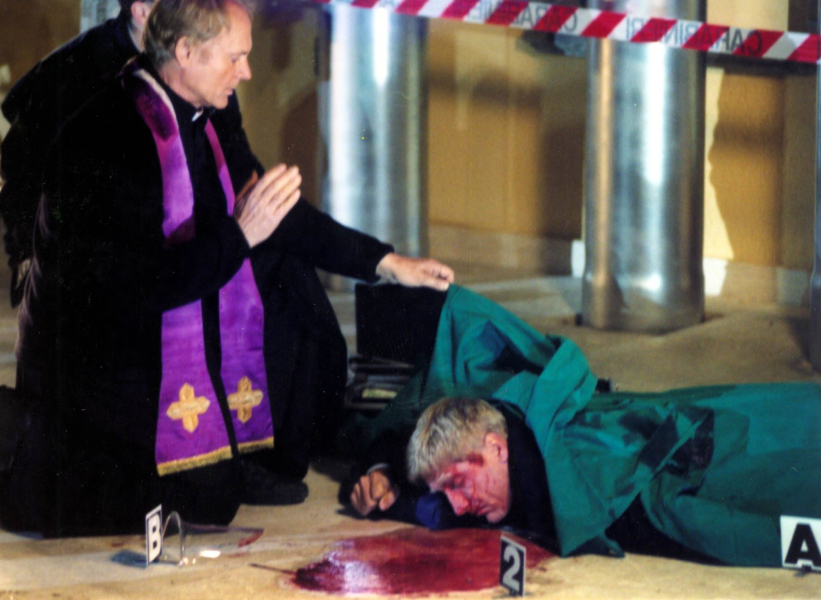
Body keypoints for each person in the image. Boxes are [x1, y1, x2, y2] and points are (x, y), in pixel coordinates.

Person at [0, 0, 454, 538]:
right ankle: (26, 454)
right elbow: (141, 289)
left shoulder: (205, 111)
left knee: (286, 275)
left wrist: (387, 263)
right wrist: (239, 234)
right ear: (186, 52)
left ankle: (250, 450)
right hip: (95, 359)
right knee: (207, 498)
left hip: (148, 325)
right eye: (235, 58)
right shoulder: (108, 133)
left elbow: (274, 214)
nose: (248, 72)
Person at [346, 285, 821, 567]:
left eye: (456, 482)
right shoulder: (494, 462)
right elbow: (415, 468)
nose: (454, 503)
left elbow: (722, 529)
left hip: (690, 441)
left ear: (497, 447)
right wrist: (382, 476)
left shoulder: (585, 476)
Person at [0, 0, 260, 307]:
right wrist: (23, 250)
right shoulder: (77, 73)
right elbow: (21, 160)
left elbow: (235, 164)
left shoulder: (205, 79)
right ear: (141, 12)